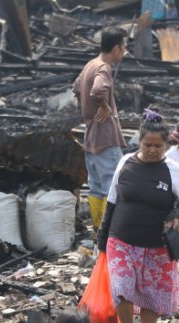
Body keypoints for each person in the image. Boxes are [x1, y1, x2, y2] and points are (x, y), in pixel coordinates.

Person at [97, 109, 179, 323]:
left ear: (166, 145)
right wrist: (102, 236)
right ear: (139, 142)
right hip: (121, 239)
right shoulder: (126, 163)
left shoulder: (172, 169)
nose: (153, 150)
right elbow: (112, 200)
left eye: (158, 146)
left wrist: (175, 213)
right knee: (121, 288)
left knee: (151, 295)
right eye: (148, 145)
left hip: (157, 244)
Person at [73, 27, 127, 231]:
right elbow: (97, 90)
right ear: (115, 49)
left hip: (90, 136)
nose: (124, 52)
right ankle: (110, 231)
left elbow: (77, 87)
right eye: (123, 48)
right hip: (106, 136)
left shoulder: (90, 64)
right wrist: (103, 107)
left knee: (95, 186)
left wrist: (87, 108)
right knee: (113, 185)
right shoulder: (104, 68)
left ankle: (98, 231)